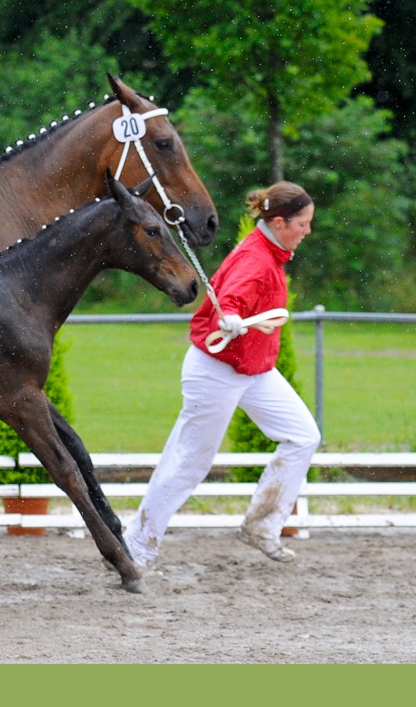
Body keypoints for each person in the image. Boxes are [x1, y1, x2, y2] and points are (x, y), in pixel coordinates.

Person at [124, 180, 321, 569]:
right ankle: (136, 547)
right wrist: (229, 315)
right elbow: (230, 297)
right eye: (303, 223)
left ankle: (262, 526)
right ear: (279, 222)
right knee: (188, 464)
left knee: (303, 436)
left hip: (253, 371)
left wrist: (234, 317)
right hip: (217, 372)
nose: (308, 230)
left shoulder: (270, 251)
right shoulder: (257, 260)